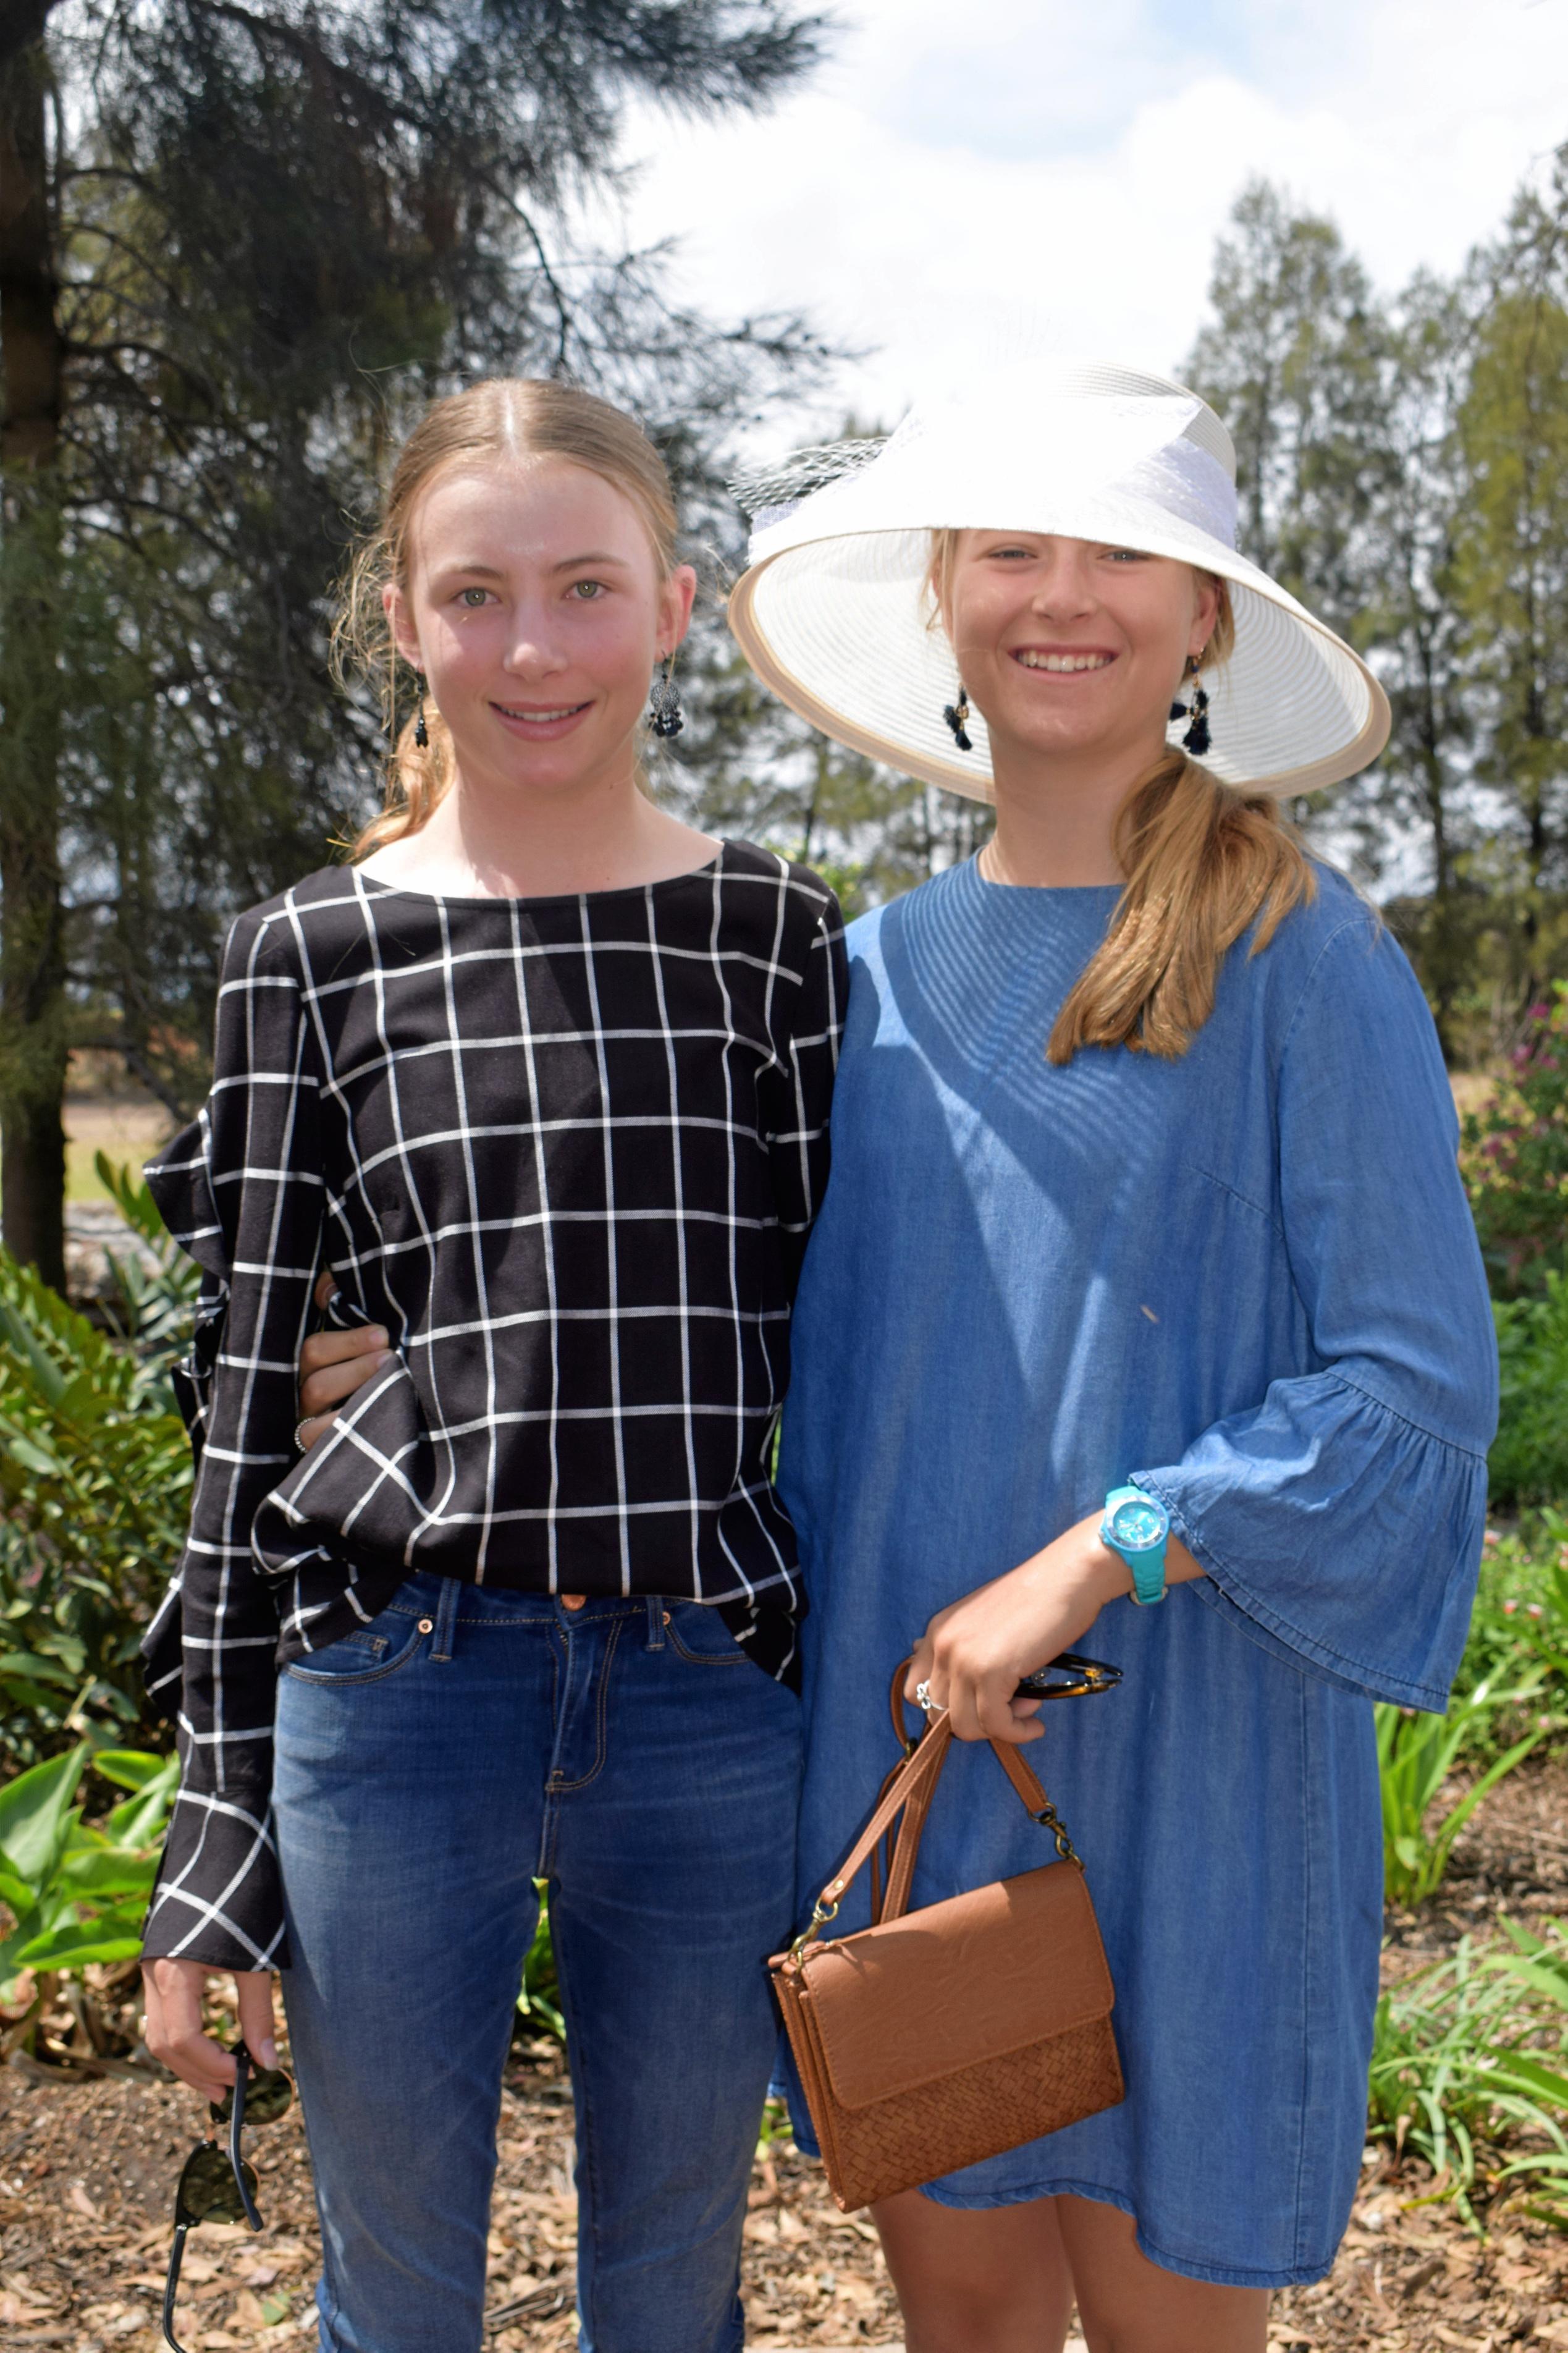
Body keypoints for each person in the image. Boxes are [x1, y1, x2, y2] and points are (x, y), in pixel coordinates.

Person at [307, 361, 1499, 2351]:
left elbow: (1408, 1393)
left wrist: (1093, 1551)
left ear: (1203, 614)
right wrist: (412, 1356)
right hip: (917, 1769)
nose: (1064, 596)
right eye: (1011, 549)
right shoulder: (849, 983)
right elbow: (711, 1316)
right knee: (961, 2329)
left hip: (1191, 1763)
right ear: (942, 598)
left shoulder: (1299, 951)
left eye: (1124, 553)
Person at [138, 376, 845, 2353]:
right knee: (393, 2297)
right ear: (400, 620)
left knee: (671, 2288)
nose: (531, 650)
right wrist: (212, 1861)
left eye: (585, 589)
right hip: (392, 1695)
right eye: (474, 595)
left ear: (678, 605)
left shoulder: (774, 939)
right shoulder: (306, 956)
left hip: (708, 1700)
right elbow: (234, 1422)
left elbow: (843, 1343)